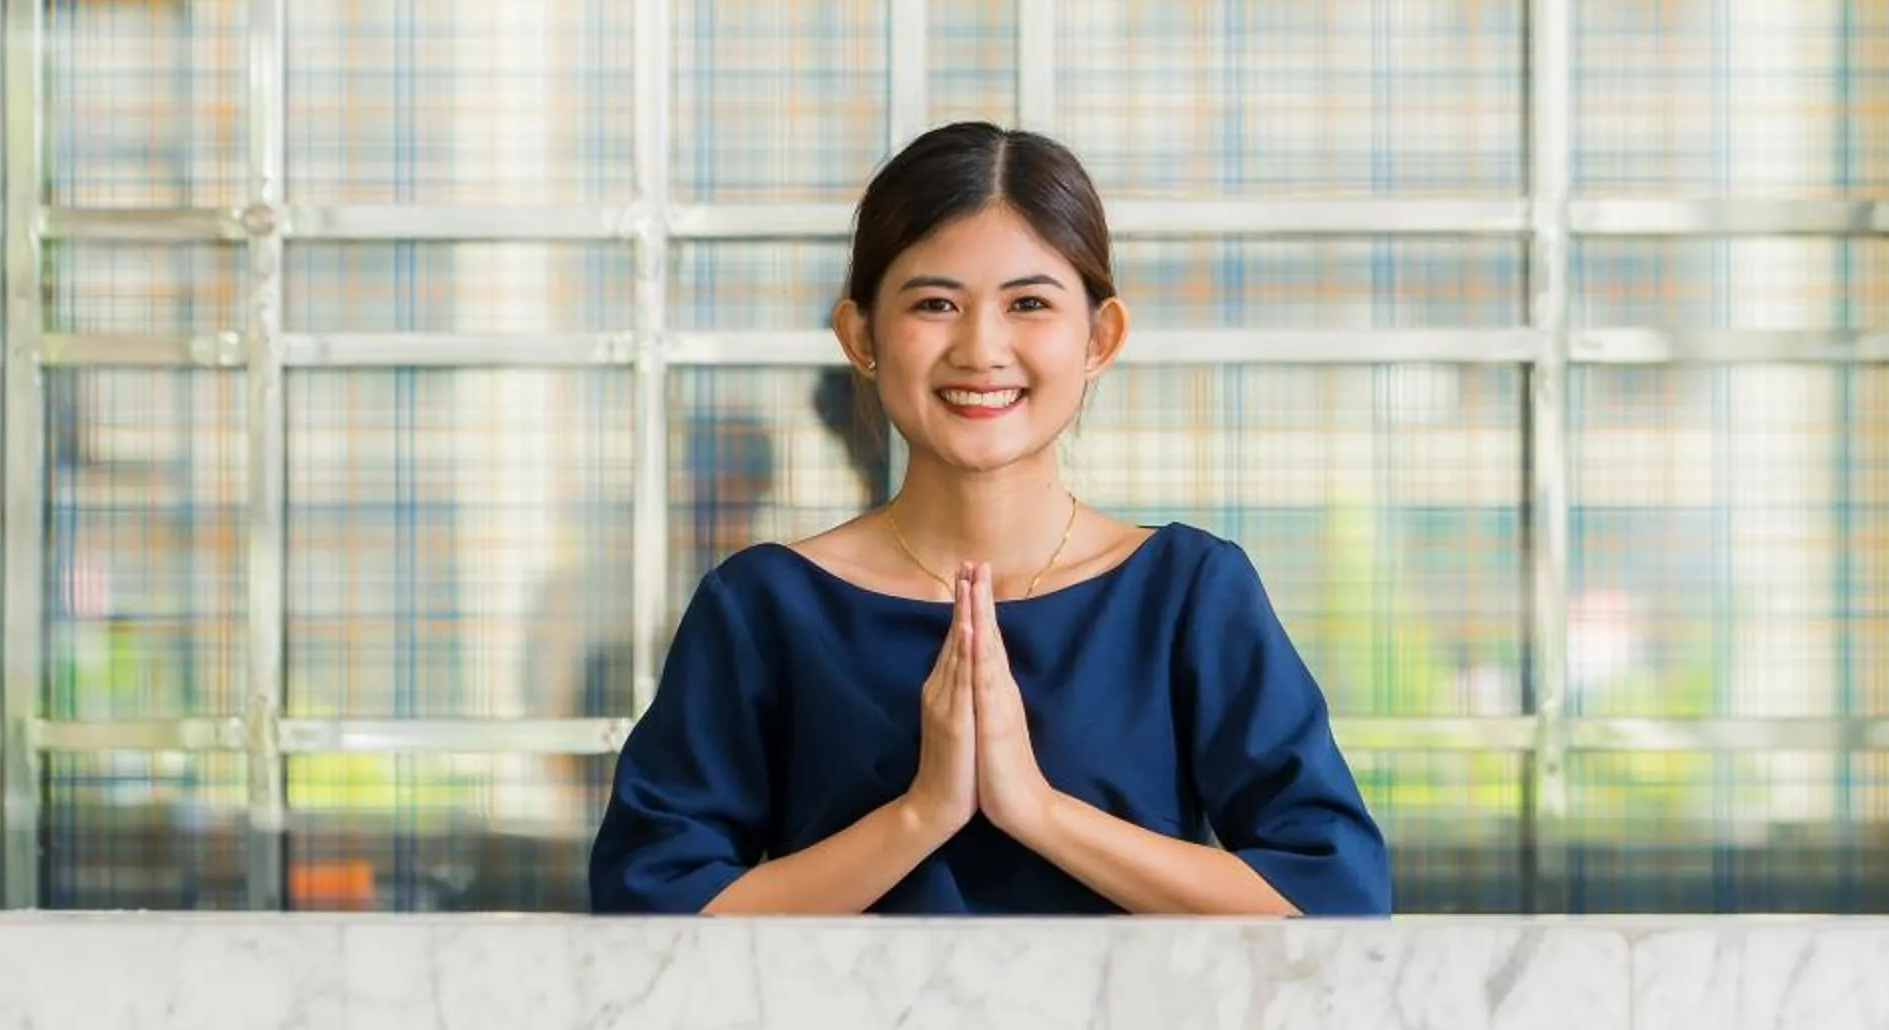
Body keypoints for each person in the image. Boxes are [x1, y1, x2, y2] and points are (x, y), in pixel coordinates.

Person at [589, 122, 1391, 915]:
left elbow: (1334, 891)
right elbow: (649, 903)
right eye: (935, 303)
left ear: (1099, 337)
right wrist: (920, 815)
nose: (981, 348)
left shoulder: (1188, 592)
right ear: (861, 336)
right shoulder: (763, 606)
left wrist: (1036, 810)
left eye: (1029, 303)